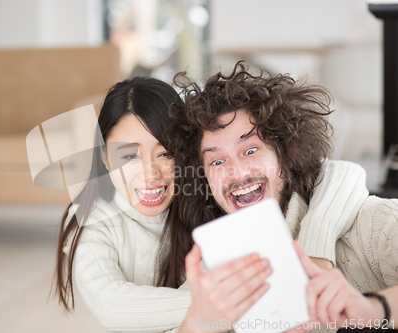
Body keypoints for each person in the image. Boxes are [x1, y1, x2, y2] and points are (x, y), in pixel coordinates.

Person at [54, 76, 368, 332]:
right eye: (128, 156)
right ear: (105, 158)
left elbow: (343, 173)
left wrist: (316, 254)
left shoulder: (205, 190)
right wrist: (227, 302)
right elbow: (112, 307)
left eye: (165, 153)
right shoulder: (90, 220)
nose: (150, 174)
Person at [164, 61, 398, 332]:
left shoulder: (373, 225)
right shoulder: (210, 283)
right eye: (217, 162)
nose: (238, 173)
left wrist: (374, 309)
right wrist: (197, 326)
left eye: (250, 150)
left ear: (285, 158)